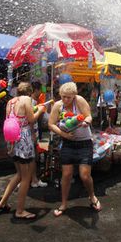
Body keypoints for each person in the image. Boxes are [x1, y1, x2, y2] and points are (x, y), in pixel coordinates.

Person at [48, 82, 101, 216]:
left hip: (84, 143)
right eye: (64, 97)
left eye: (69, 97)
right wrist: (64, 134)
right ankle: (64, 204)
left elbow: (89, 115)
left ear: (74, 96)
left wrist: (86, 122)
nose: (66, 100)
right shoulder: (58, 106)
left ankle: (92, 196)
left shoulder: (79, 101)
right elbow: (51, 124)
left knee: (84, 175)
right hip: (68, 144)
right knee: (66, 175)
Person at [0, 82, 47, 219]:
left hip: (12, 139)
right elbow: (31, 120)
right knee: (26, 178)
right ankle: (20, 211)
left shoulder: (11, 101)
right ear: (30, 92)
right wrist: (41, 111)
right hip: (23, 139)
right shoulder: (27, 100)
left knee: (19, 174)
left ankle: (3, 201)